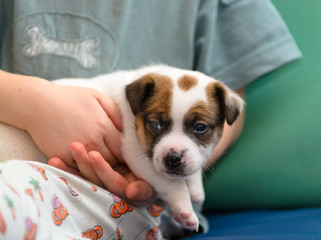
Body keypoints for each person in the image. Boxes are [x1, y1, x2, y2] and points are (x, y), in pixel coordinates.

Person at [0, 0, 301, 239]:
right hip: (34, 172)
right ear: (138, 103)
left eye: (198, 128)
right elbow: (133, 151)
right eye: (157, 124)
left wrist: (187, 177)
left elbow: (227, 118)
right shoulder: (134, 90)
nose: (173, 149)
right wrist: (28, 102)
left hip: (133, 209)